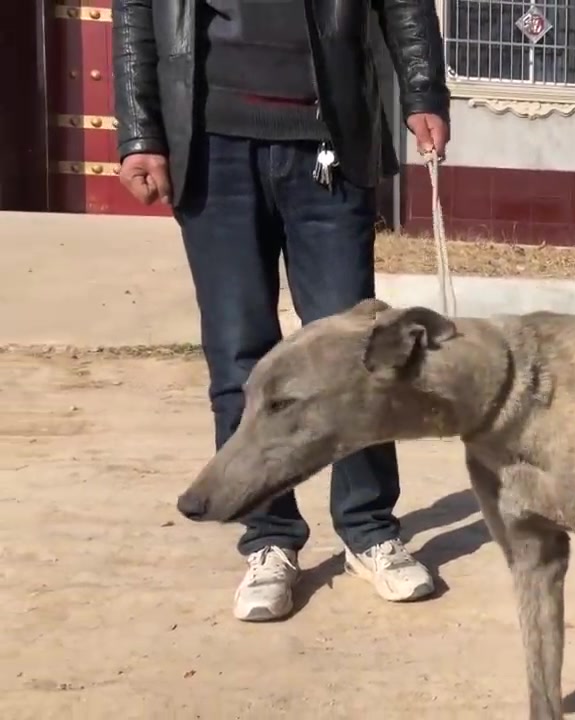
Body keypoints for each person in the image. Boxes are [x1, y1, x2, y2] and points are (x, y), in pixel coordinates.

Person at [112, 0, 451, 622]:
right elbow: (138, 13)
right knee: (240, 354)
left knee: (359, 359)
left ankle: (369, 529)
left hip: (327, 142)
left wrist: (424, 91)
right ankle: (268, 540)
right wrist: (140, 133)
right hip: (210, 147)